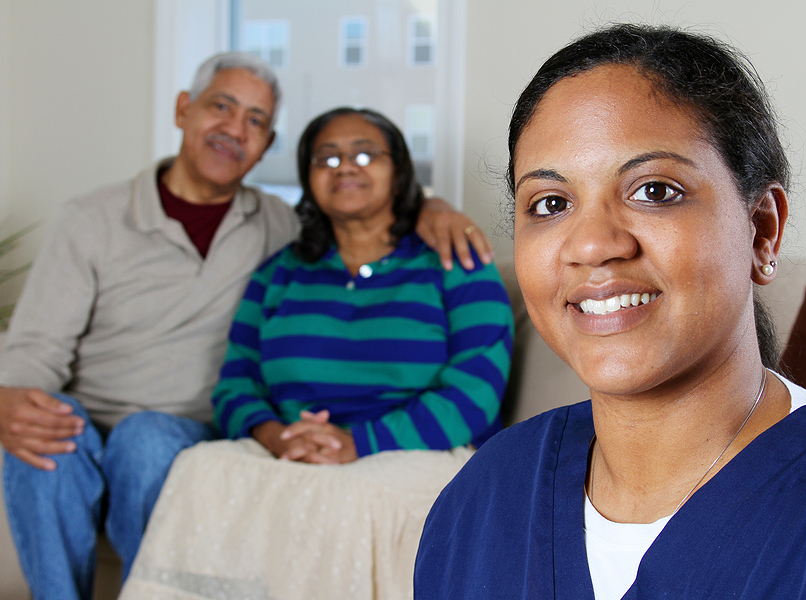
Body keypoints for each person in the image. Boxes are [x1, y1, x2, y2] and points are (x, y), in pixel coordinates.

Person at [414, 24, 806, 599]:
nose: (592, 244)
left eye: (655, 191)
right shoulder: (486, 498)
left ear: (762, 232)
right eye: (550, 203)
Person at [0, 52, 491, 600]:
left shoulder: (288, 229)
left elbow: (472, 385)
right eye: (222, 107)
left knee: (147, 442)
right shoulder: (102, 221)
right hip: (124, 425)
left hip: (194, 431)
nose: (235, 129)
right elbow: (232, 378)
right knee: (43, 434)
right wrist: (7, 400)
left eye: (255, 120)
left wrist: (433, 207)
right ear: (184, 109)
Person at [117, 107, 513, 600]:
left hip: (416, 449)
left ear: (400, 172)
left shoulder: (455, 261)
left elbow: (475, 392)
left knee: (352, 496)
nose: (346, 167)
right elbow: (237, 381)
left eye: (366, 154)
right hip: (292, 445)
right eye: (326, 158)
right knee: (201, 467)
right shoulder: (278, 273)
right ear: (307, 178)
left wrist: (356, 442)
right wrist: (277, 436)